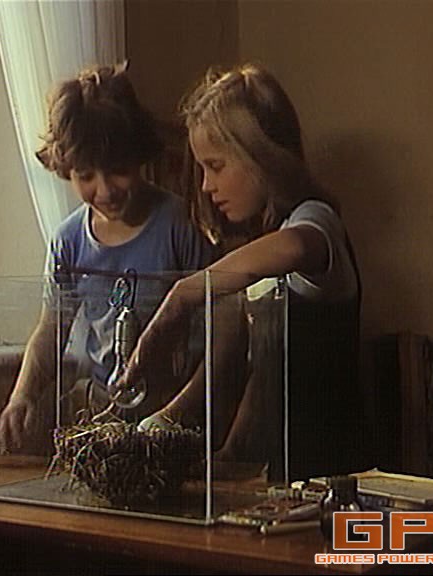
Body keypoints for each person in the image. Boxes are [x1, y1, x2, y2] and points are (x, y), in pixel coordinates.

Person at [121, 63, 365, 481]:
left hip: (329, 475)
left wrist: (183, 295)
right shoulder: (267, 246)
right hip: (280, 478)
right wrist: (222, 451)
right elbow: (263, 377)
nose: (205, 186)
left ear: (261, 157)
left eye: (215, 166)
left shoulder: (315, 219)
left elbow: (295, 246)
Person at [0, 62, 216, 455]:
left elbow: (219, 334)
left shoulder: (180, 224)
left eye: (118, 171)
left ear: (139, 157)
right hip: (104, 419)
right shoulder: (68, 241)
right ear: (66, 170)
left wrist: (177, 414)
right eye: (86, 176)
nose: (105, 191)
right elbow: (51, 328)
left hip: (177, 420)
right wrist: (21, 397)